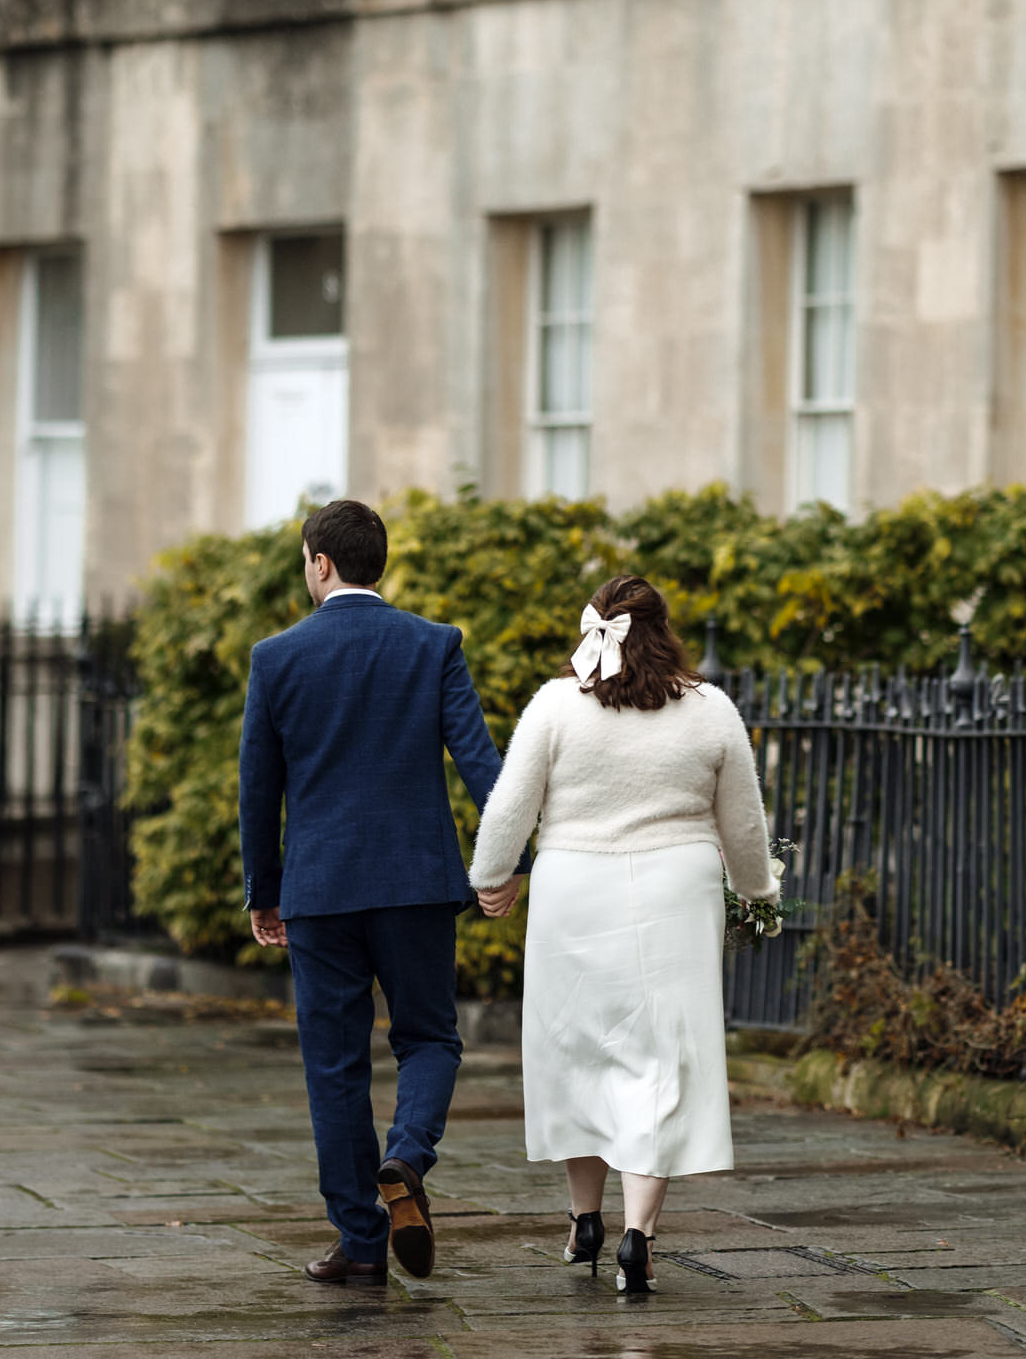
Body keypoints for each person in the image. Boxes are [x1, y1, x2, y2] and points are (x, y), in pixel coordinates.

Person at [467, 575, 780, 1297]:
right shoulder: (709, 710)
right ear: (664, 629)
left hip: (573, 889)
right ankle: (639, 1236)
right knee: (659, 1058)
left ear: (596, 627)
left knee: (578, 1050)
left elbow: (512, 800)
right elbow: (743, 817)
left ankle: (584, 1219)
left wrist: (493, 875)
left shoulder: (555, 704)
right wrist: (759, 886)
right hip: (676, 891)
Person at [238, 499, 510, 1286]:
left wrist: (265, 889)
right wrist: (507, 859)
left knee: (334, 1065)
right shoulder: (433, 645)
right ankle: (407, 1158)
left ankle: (361, 1240)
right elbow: (482, 763)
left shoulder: (276, 657)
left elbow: (259, 790)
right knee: (429, 1037)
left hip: (318, 889)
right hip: (418, 881)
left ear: (320, 562)